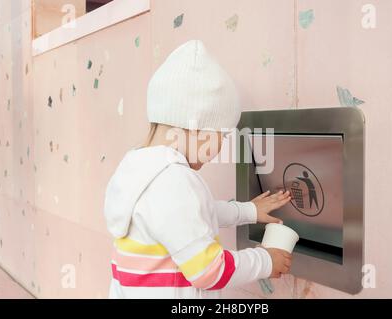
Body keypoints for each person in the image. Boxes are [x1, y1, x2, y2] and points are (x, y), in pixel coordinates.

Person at [104, 40, 293, 299]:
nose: (221, 146)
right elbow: (209, 271)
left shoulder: (140, 168)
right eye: (222, 135)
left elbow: (192, 213)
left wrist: (248, 211)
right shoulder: (173, 182)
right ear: (197, 127)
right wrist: (266, 260)